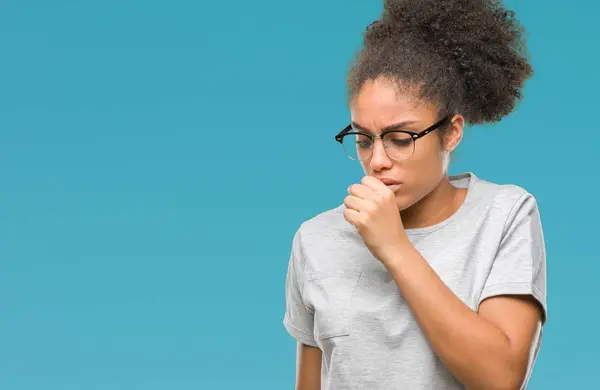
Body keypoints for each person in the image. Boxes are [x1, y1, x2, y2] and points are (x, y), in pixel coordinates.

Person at [282, 0, 547, 389]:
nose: (377, 160)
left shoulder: (504, 215)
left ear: (452, 132)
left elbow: (501, 377)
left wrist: (395, 248)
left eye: (400, 139)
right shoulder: (316, 238)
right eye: (362, 139)